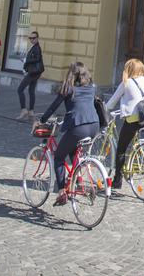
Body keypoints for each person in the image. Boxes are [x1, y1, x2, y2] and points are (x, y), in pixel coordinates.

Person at [39, 62, 101, 206]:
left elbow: (53, 107)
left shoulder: (69, 89)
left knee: (59, 157)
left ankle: (61, 192)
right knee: (73, 151)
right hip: (94, 126)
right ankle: (78, 179)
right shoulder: (92, 88)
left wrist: (41, 120)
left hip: (78, 127)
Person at [105, 58, 144, 191]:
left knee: (121, 149)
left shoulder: (127, 83)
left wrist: (105, 109)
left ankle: (117, 180)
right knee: (132, 141)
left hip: (132, 119)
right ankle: (135, 157)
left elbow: (112, 101)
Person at [18, 31, 45, 120]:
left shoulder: (37, 47)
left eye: (34, 38)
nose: (32, 40)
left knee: (20, 89)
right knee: (31, 90)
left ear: (37, 38)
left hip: (33, 72)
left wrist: (26, 60)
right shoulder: (33, 47)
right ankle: (31, 111)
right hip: (35, 72)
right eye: (30, 38)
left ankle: (24, 110)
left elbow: (37, 58)